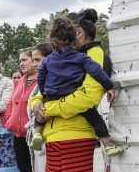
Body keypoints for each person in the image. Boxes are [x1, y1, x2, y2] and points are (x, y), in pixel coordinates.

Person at [29, 9, 109, 172]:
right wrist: (37, 104)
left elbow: (87, 97)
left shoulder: (93, 54)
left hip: (76, 136)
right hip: (53, 137)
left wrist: (47, 108)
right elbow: (37, 93)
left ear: (77, 32)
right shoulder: (58, 59)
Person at [30, 17, 122, 157]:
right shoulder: (81, 57)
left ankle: (37, 134)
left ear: (53, 43)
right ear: (74, 37)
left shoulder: (48, 60)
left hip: (68, 128)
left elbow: (41, 78)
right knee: (96, 119)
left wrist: (45, 95)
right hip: (69, 98)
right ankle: (108, 146)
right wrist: (108, 85)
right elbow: (97, 71)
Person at [3, 48, 39, 172]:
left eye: (25, 60)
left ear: (35, 61)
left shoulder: (43, 80)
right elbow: (11, 104)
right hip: (18, 135)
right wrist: (9, 120)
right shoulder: (20, 82)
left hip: (36, 135)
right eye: (20, 60)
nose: (21, 63)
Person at [27, 43, 51, 172]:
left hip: (48, 134)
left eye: (38, 60)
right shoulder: (40, 80)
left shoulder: (52, 78)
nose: (34, 64)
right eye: (33, 60)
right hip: (36, 132)